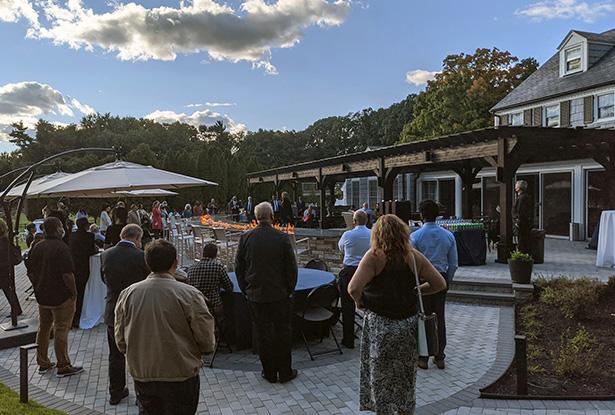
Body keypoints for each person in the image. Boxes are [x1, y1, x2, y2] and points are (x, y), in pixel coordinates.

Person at [348, 215, 446, 414]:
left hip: (379, 327)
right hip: (407, 328)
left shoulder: (374, 256)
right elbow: (439, 284)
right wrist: (417, 291)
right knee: (405, 380)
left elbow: (353, 288)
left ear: (377, 234)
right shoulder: (413, 257)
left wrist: (361, 303)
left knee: (381, 379)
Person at [114, 240, 215, 414]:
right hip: (180, 372)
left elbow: (120, 339)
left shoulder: (128, 293)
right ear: (175, 263)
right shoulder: (189, 294)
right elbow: (206, 338)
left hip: (144, 372)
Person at [235, 202, 298, 384]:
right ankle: (285, 372)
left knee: (262, 334)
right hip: (279, 294)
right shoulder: (281, 237)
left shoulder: (246, 237)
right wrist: (289, 290)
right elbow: (291, 268)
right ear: (271, 216)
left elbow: (239, 267)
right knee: (283, 333)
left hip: (256, 294)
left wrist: (245, 289)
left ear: (256, 218)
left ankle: (269, 372)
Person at [26, 217, 84, 378]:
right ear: (58, 229)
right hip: (61, 296)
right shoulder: (61, 248)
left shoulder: (37, 247)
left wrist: (37, 286)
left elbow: (29, 272)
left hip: (42, 296)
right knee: (61, 329)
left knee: (44, 328)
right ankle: (63, 365)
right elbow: (67, 274)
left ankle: (42, 362)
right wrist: (74, 292)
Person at [101, 224, 149, 405]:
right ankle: (141, 394)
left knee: (115, 355)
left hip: (113, 309)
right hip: (136, 310)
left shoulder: (106, 255)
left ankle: (115, 392)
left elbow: (103, 278)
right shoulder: (141, 256)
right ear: (137, 238)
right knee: (139, 354)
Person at [411, 199, 458, 370]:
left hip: (422, 280)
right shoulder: (448, 235)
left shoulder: (415, 236)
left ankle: (423, 356)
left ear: (421, 215)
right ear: (438, 215)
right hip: (441, 277)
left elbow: (413, 263)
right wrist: (447, 280)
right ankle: (440, 356)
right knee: (440, 317)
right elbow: (454, 263)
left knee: (422, 317)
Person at [337, 210, 371, 349]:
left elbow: (341, 249)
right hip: (367, 272)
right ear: (367, 221)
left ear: (354, 221)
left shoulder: (348, 234)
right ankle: (369, 337)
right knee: (369, 304)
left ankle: (348, 339)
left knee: (347, 305)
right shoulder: (372, 234)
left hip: (349, 270)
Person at [187, 243, 234, 337]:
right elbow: (229, 287)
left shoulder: (191, 268)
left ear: (203, 253)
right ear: (216, 254)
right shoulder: (218, 266)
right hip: (213, 305)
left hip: (195, 305)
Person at [68, 217, 99, 328]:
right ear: (86, 226)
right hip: (84, 266)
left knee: (75, 292)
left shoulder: (72, 235)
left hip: (73, 266)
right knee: (82, 292)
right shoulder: (89, 236)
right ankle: (78, 316)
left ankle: (72, 317)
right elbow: (91, 250)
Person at [0, 218, 22, 317]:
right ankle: (16, 308)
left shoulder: (3, 240)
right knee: (8, 289)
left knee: (8, 289)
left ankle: (16, 309)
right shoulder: (5, 238)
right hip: (5, 268)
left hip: (3, 268)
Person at [512, 180, 533, 255]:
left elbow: (520, 211)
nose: (515, 188)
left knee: (522, 241)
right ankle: (526, 256)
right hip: (526, 222)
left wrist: (518, 221)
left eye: (516, 186)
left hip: (522, 223)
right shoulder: (526, 197)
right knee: (526, 240)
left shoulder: (522, 198)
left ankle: (522, 256)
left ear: (519, 188)